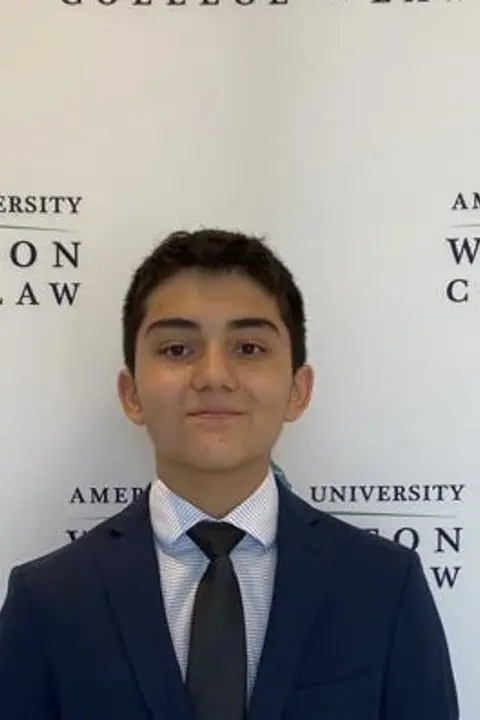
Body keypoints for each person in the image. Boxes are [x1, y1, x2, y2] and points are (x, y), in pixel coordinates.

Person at [0, 228, 458, 720]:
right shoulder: (47, 600)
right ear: (132, 394)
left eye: (249, 348)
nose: (214, 376)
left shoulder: (383, 588)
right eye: (177, 350)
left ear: (298, 390)